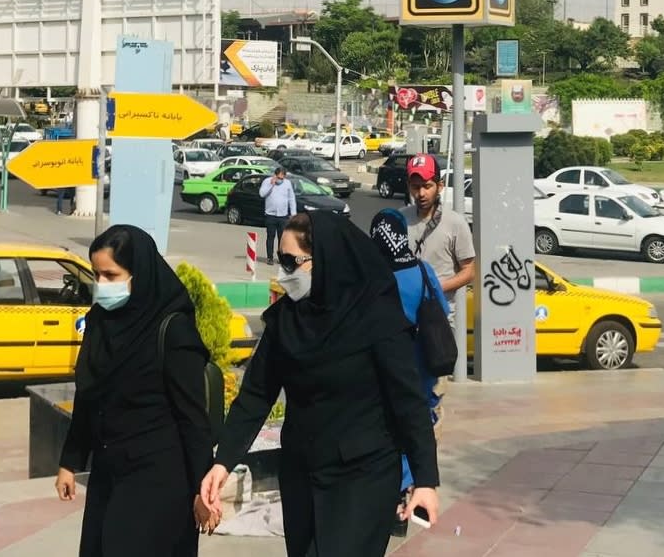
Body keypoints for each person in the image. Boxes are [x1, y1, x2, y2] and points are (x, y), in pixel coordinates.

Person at [199, 212, 440, 557]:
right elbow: (256, 394)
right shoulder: (286, 320)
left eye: (291, 261)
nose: (283, 272)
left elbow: (408, 402)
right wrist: (222, 462)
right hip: (302, 472)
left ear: (325, 258)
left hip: (363, 474)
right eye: (280, 260)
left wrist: (425, 480)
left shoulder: (377, 318)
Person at [55, 225, 218, 556]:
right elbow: (89, 396)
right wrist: (69, 462)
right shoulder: (100, 322)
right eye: (97, 276)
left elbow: (192, 419)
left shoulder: (173, 331)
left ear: (139, 273)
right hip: (108, 472)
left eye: (111, 276)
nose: (102, 286)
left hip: (157, 479)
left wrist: (204, 490)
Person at [369, 208, 449, 537]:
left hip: (385, 374)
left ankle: (393, 497)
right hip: (423, 370)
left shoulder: (372, 277)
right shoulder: (423, 270)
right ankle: (407, 491)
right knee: (417, 426)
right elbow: (441, 311)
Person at [399, 154, 476, 327]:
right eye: (415, 187)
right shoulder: (401, 218)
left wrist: (434, 289)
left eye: (427, 186)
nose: (421, 194)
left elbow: (469, 271)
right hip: (405, 318)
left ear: (439, 186)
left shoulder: (455, 222)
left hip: (440, 320)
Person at [259, 168, 297, 265]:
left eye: (282, 178)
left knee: (282, 238)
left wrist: (293, 213)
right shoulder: (267, 182)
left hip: (283, 216)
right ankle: (270, 257)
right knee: (270, 236)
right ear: (275, 175)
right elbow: (262, 194)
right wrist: (271, 184)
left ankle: (282, 258)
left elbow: (291, 198)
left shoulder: (287, 183)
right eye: (279, 178)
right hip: (270, 215)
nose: (280, 180)